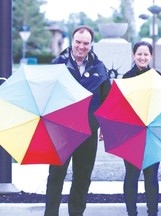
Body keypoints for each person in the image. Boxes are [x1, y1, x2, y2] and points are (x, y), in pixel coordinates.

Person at [44, 25, 111, 216]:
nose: (81, 46)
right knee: (56, 176)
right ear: (72, 41)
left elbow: (107, 99)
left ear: (91, 44)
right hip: (61, 132)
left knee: (82, 178)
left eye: (86, 43)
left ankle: (76, 213)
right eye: (78, 42)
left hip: (88, 133)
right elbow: (47, 97)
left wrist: (104, 126)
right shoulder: (57, 65)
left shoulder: (99, 68)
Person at [122, 41, 161, 216]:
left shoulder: (157, 75)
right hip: (131, 133)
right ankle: (132, 212)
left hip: (152, 133)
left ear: (151, 57)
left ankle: (153, 211)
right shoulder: (126, 77)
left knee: (151, 176)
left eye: (146, 54)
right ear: (133, 55)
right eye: (139, 54)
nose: (142, 57)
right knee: (131, 175)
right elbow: (121, 106)